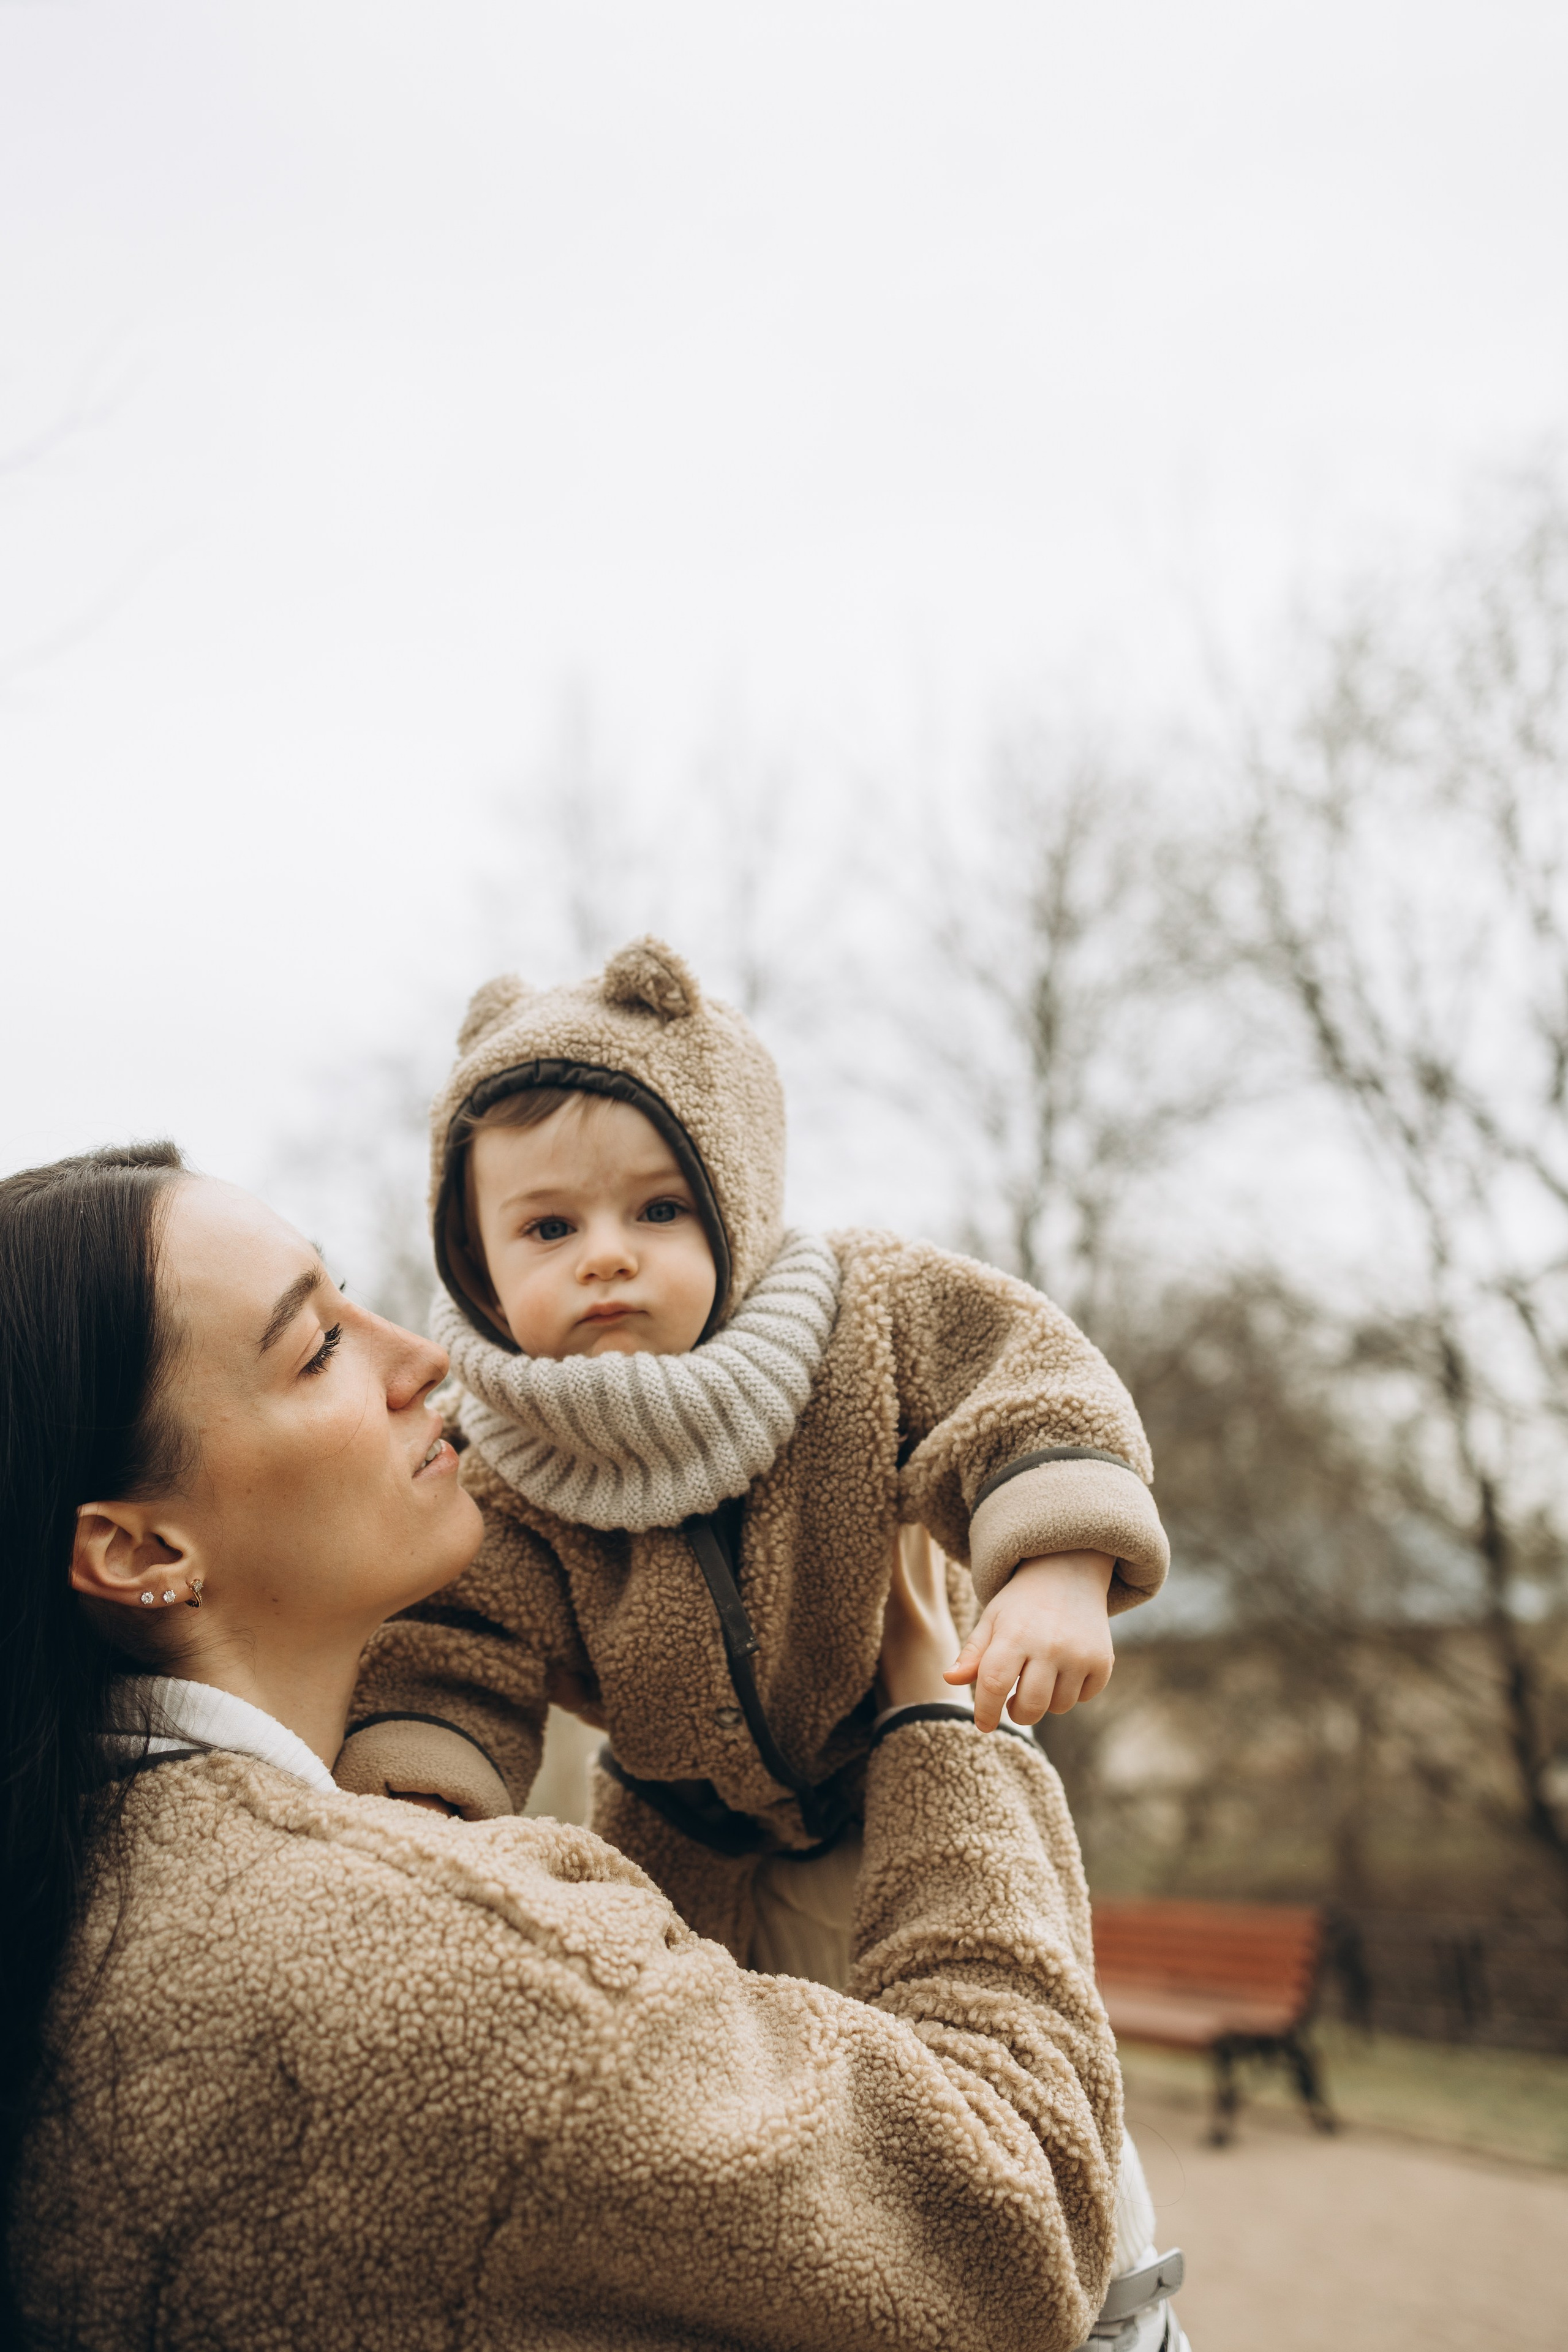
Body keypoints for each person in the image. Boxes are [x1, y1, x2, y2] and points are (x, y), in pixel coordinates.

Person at [1, 1140, 1133, 2352]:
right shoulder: (441, 1970)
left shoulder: (74, 1892)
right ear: (137, 1553)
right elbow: (1007, 2223)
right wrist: (940, 1722)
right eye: (318, 1346)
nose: (424, 1357)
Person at [339, 935, 1172, 1980]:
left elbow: (1022, 1379)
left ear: (735, 1207)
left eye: (660, 1210)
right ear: (479, 1270)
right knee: (708, 2085)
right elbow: (456, 1649)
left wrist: (1057, 1567)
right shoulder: (500, 1465)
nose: (608, 1252)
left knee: (1000, 2034)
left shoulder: (857, 1317)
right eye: (549, 1228)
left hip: (914, 1763)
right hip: (686, 1843)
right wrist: (424, 1792)